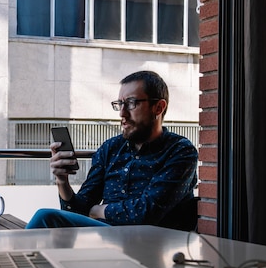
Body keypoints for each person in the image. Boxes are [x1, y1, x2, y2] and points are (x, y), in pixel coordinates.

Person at [26, 70, 198, 230]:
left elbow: (146, 213)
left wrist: (98, 211)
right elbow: (79, 210)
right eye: (120, 104)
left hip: (151, 242)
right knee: (49, 230)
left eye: (131, 103)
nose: (122, 113)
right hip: (106, 238)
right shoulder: (110, 148)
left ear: (158, 107)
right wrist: (62, 182)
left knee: (46, 217)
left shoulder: (180, 151)